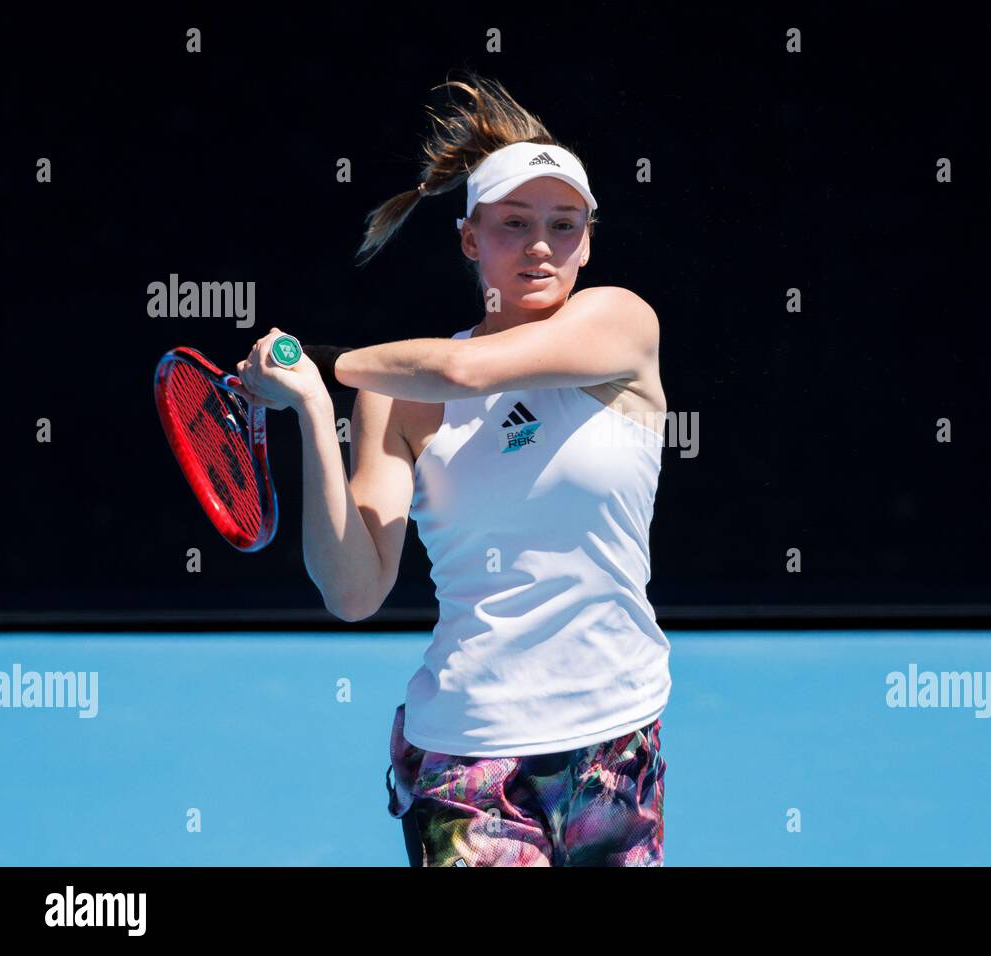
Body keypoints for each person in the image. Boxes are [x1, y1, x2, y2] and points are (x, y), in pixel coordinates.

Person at [228, 72, 670, 866]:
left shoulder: (622, 324)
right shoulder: (394, 396)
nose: (541, 245)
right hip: (468, 761)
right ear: (470, 238)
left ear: (590, 239)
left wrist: (328, 364)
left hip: (617, 749)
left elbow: (467, 374)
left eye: (564, 224)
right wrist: (308, 415)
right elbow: (355, 591)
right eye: (513, 224)